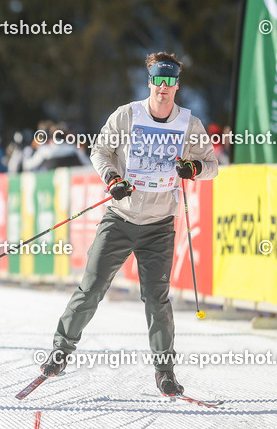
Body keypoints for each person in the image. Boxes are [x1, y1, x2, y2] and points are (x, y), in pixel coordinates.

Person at [38, 52, 218, 396]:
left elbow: (212, 166)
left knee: (156, 300)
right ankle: (60, 351)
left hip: (160, 225)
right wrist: (112, 178)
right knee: (91, 289)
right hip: (120, 218)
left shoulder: (188, 124)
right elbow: (100, 150)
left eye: (169, 82)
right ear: (149, 82)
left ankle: (165, 372)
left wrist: (193, 170)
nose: (163, 88)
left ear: (176, 85)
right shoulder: (128, 115)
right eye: (157, 81)